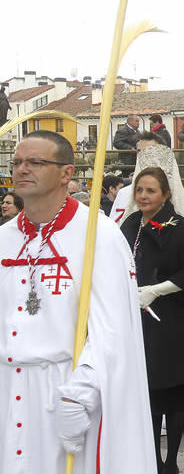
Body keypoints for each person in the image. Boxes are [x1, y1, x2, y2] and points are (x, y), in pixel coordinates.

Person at [0, 130, 155, 473]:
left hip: (67, 388)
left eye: (36, 162)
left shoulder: (98, 236)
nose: (23, 169)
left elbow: (113, 329)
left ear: (67, 173)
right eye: (18, 162)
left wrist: (79, 394)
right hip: (8, 388)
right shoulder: (4, 238)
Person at [120, 166, 184, 474]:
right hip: (139, 322)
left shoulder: (179, 227)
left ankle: (170, 462)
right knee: (148, 393)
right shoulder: (130, 224)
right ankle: (152, 458)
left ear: (166, 195)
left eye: (150, 191)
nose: (143, 196)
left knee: (171, 394)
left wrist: (157, 290)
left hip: (172, 322)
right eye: (140, 190)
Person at [110, 132, 179, 225]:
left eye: (149, 151)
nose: (143, 157)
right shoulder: (123, 194)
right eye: (140, 152)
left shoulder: (176, 193)